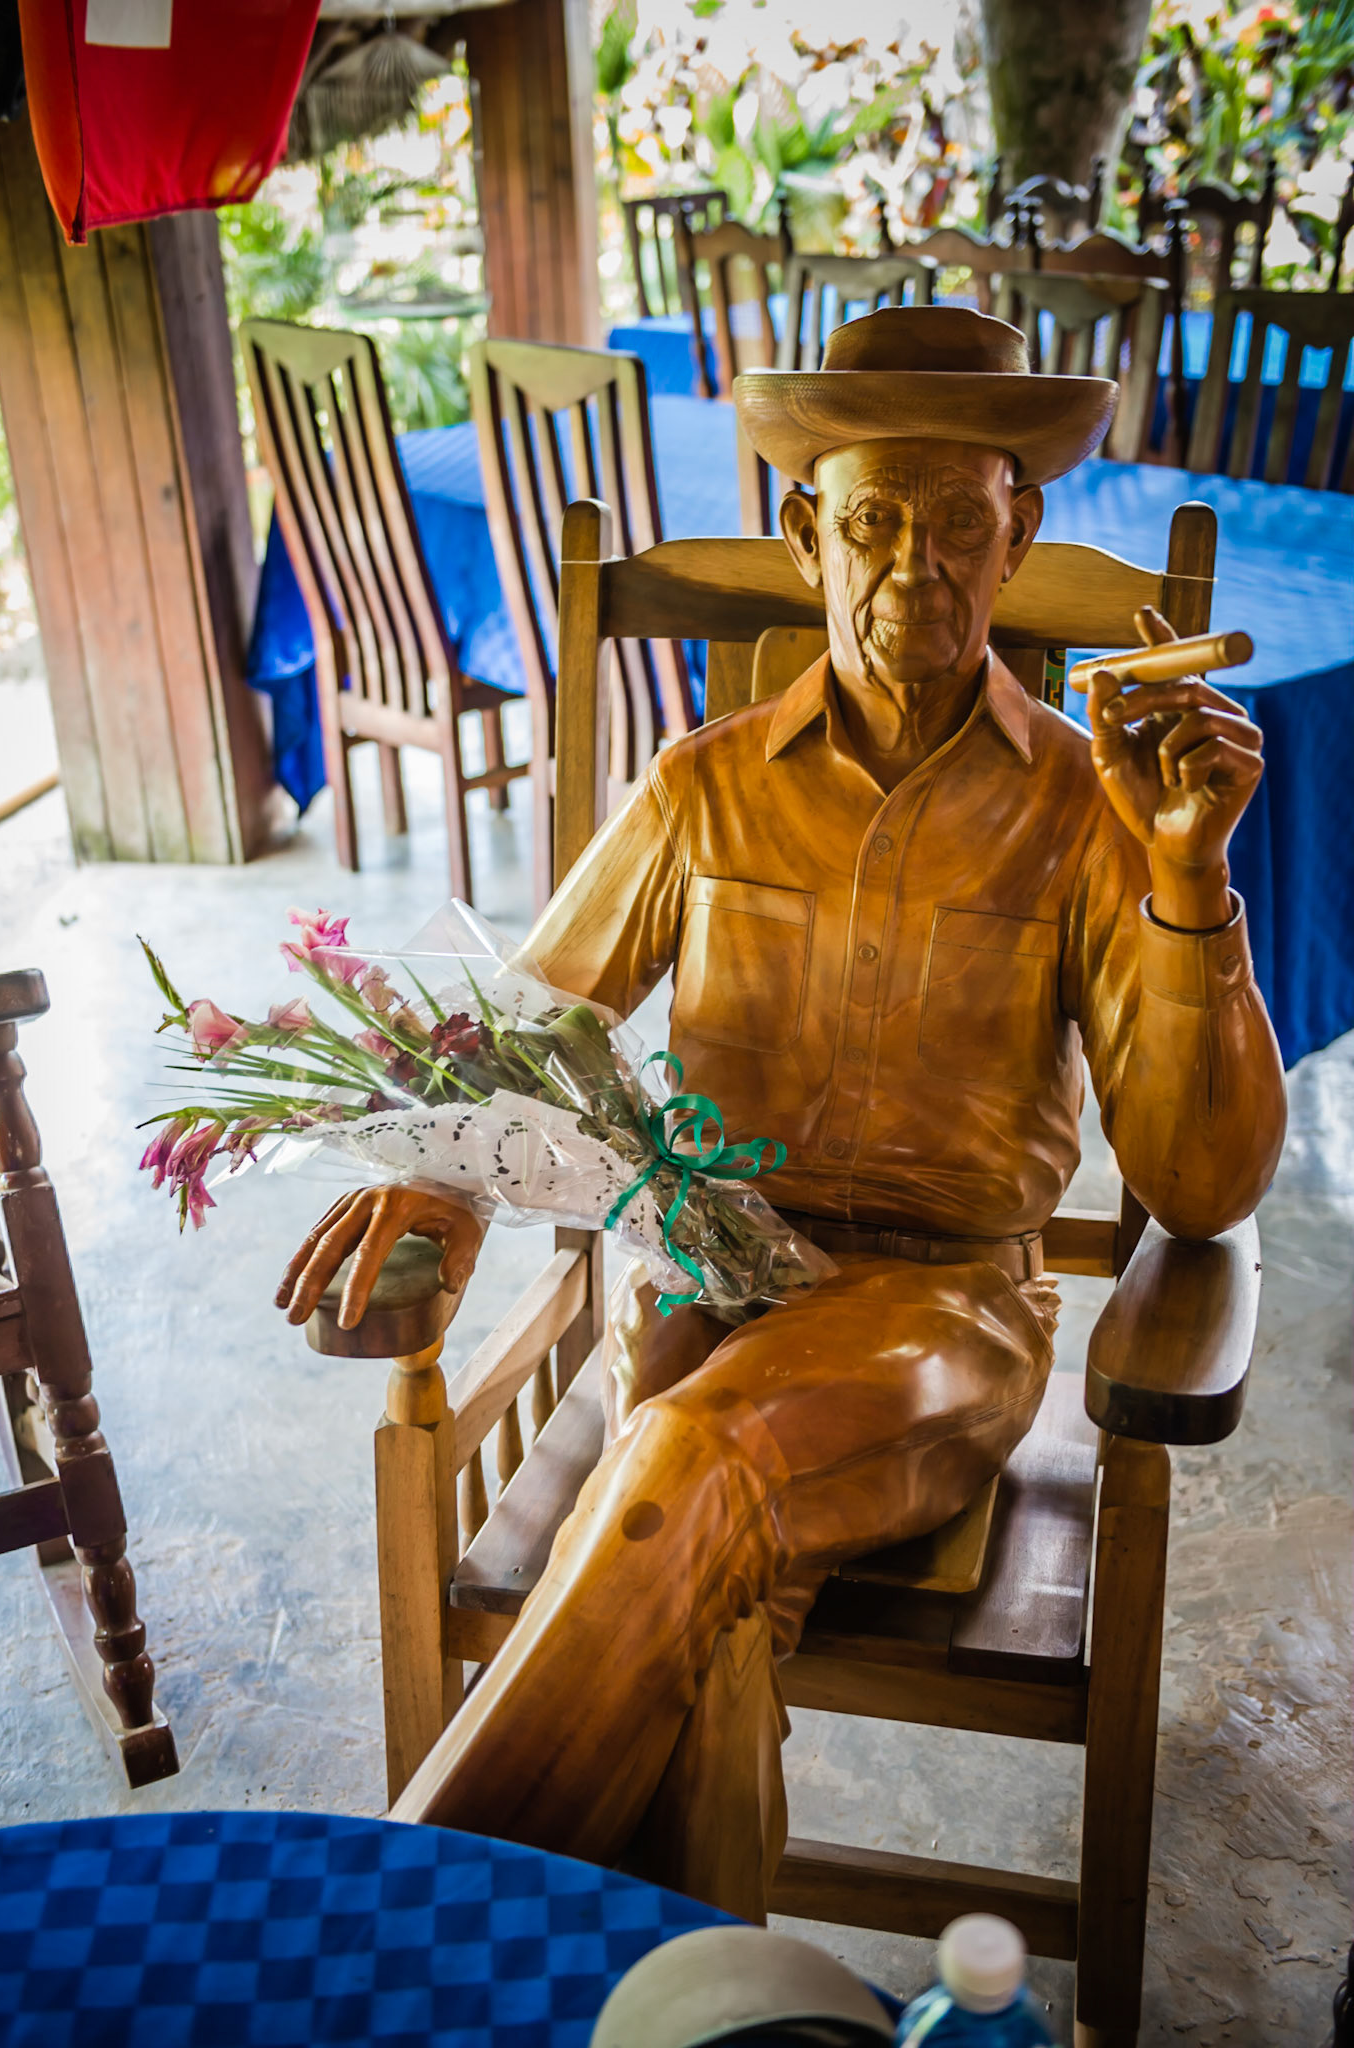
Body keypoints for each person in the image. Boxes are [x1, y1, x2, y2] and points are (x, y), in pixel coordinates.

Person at [277, 309, 1286, 1919]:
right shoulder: (704, 786)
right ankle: (693, 1998)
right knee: (712, 1563)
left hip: (940, 1315)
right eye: (876, 522)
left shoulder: (1088, 820)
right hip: (700, 1281)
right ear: (808, 536)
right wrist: (443, 1179)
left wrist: (1186, 879)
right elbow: (527, 1027)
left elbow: (1202, 1178)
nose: (917, 567)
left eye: (962, 522)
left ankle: (393, 1948)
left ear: (1018, 537)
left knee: (686, 1446)